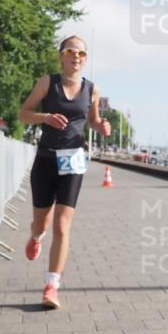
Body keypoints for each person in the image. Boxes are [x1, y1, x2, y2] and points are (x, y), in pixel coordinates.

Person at [18, 35, 111, 309]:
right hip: (46, 159)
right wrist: (45, 117)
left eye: (82, 53)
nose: (77, 57)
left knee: (62, 225)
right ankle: (35, 237)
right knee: (42, 223)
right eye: (71, 51)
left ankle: (51, 286)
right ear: (61, 55)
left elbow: (92, 121)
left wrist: (101, 127)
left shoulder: (91, 89)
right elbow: (23, 113)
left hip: (74, 160)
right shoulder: (49, 82)